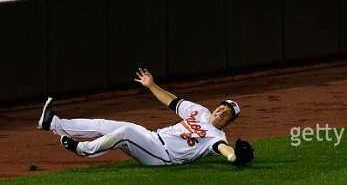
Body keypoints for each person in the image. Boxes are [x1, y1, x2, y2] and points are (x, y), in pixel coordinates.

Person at [37, 68, 245, 166]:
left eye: (227, 113)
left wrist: (232, 156)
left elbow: (222, 148)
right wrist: (152, 86)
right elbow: (172, 101)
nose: (222, 111)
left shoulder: (216, 137)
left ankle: (82, 149)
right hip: (152, 139)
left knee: (126, 132)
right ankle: (54, 123)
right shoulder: (200, 111)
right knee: (108, 125)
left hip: (163, 157)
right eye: (222, 107)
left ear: (229, 123)